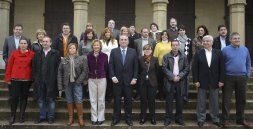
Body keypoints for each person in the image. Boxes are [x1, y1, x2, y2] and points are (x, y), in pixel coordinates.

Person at [192, 35, 224, 128]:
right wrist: (196, 80)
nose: (205, 43)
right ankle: (201, 118)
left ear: (212, 42)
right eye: (204, 41)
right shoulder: (198, 53)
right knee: (201, 101)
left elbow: (222, 68)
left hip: (215, 81)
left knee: (214, 101)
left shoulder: (218, 53)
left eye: (207, 41)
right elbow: (195, 68)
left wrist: (221, 80)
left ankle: (215, 118)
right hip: (202, 81)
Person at [222, 32, 251, 128]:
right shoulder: (225, 50)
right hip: (228, 77)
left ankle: (240, 119)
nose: (237, 40)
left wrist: (247, 74)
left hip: (242, 77)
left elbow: (248, 63)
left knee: (242, 99)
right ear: (230, 40)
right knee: (226, 99)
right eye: (235, 38)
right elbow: (221, 65)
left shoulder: (245, 49)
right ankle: (225, 119)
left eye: (238, 38)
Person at [4, 37, 35, 125]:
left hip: (26, 79)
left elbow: (34, 67)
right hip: (15, 79)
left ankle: (21, 115)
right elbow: (9, 66)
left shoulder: (32, 54)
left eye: (25, 43)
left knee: (24, 98)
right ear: (19, 44)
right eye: (21, 43)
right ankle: (12, 116)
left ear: (27, 44)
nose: (23, 45)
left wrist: (33, 78)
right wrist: (7, 78)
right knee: (14, 98)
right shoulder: (14, 53)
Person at [109, 35, 138, 126]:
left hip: (129, 81)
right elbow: (111, 65)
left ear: (128, 41)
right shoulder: (114, 51)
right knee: (117, 100)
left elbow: (136, 66)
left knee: (128, 101)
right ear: (119, 41)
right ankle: (116, 118)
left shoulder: (133, 51)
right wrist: (112, 76)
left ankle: (128, 118)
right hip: (116, 81)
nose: (123, 41)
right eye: (122, 40)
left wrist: (135, 77)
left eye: (125, 40)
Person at [57, 43, 88, 126]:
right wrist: (60, 86)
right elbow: (60, 73)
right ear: (68, 50)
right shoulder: (64, 60)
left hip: (77, 83)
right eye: (70, 48)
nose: (72, 50)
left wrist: (79, 81)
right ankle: (71, 118)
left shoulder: (82, 59)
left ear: (76, 49)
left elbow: (85, 71)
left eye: (73, 48)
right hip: (67, 84)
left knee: (78, 100)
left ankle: (80, 118)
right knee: (69, 100)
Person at [33, 36, 61, 124]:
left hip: (51, 81)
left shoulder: (55, 53)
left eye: (47, 41)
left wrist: (56, 79)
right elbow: (34, 67)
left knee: (51, 99)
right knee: (41, 99)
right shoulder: (37, 53)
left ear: (50, 43)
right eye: (43, 42)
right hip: (40, 80)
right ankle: (42, 116)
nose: (45, 43)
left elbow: (58, 67)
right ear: (41, 43)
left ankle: (50, 117)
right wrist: (35, 78)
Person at [162, 40, 189, 126]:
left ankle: (179, 119)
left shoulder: (184, 56)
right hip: (170, 81)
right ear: (171, 46)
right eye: (173, 45)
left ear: (179, 46)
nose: (175, 47)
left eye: (176, 45)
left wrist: (179, 76)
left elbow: (187, 69)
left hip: (180, 81)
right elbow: (164, 68)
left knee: (180, 102)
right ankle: (168, 118)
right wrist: (173, 77)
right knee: (169, 102)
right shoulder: (166, 56)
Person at [3, 24, 31, 101]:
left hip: (23, 69)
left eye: (19, 29)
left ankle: (20, 99)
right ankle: (12, 98)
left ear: (22, 31)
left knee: (21, 89)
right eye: (16, 29)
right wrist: (8, 62)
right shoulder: (8, 39)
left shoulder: (26, 39)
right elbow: (5, 53)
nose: (18, 31)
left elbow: (29, 52)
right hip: (10, 67)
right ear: (13, 30)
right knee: (11, 85)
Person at [87, 39, 108, 125]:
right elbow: (87, 67)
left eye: (98, 45)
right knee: (93, 99)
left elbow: (106, 67)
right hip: (91, 79)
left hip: (102, 79)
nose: (96, 46)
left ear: (100, 46)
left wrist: (102, 74)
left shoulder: (104, 56)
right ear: (92, 46)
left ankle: (101, 117)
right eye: (94, 45)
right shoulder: (88, 56)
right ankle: (94, 118)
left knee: (101, 99)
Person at [138, 44, 159, 125]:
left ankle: (153, 118)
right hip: (142, 82)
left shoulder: (155, 59)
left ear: (151, 50)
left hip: (152, 83)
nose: (147, 51)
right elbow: (138, 71)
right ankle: (142, 117)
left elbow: (157, 72)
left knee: (151, 101)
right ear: (143, 50)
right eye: (145, 49)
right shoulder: (140, 59)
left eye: (149, 49)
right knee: (143, 101)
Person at [100, 27, 118, 102]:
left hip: (112, 63)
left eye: (109, 32)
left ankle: (110, 96)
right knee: (104, 80)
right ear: (104, 34)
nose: (108, 34)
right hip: (103, 63)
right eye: (106, 32)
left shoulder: (115, 41)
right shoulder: (100, 41)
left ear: (111, 34)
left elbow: (116, 52)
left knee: (111, 80)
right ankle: (104, 96)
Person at [176, 25, 192, 102]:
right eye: (180, 30)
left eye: (183, 30)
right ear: (178, 31)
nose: (182, 31)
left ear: (185, 31)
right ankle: (179, 95)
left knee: (186, 80)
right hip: (177, 62)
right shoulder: (175, 40)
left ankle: (185, 95)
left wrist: (189, 63)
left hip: (186, 62)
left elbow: (191, 53)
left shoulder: (189, 40)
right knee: (179, 79)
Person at [153, 30, 172, 100]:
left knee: (169, 81)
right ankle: (161, 95)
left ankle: (168, 95)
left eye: (166, 35)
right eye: (163, 35)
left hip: (170, 66)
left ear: (168, 36)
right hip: (160, 66)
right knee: (160, 82)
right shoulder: (158, 44)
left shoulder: (171, 44)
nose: (164, 36)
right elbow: (155, 56)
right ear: (161, 36)